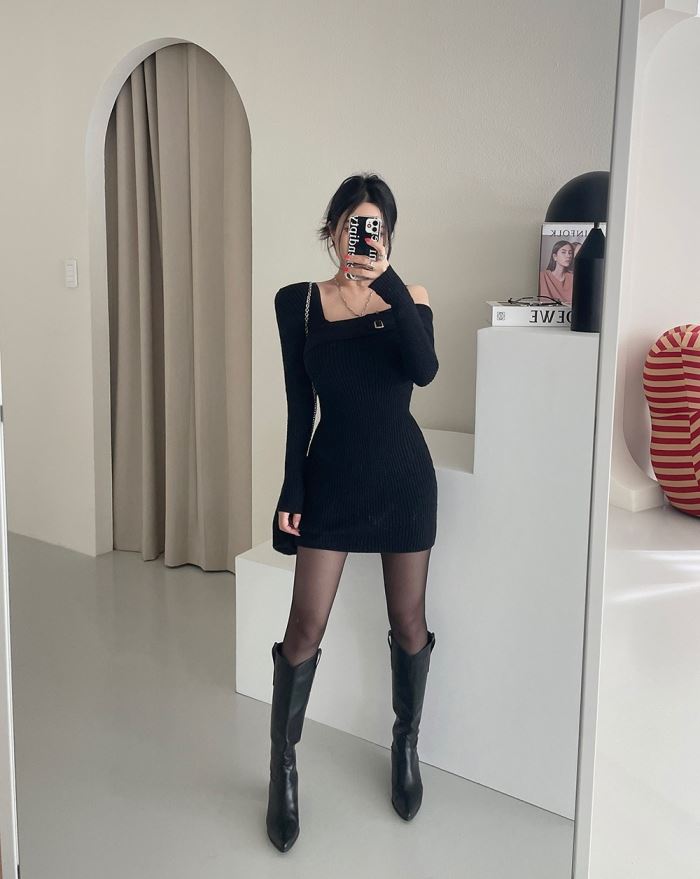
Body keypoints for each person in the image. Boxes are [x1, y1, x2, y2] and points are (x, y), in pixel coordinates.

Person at [267, 173, 439, 852]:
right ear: (334, 228)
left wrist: (386, 281)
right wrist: (292, 489)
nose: (364, 238)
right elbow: (298, 405)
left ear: (388, 237)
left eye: (377, 228)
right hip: (332, 478)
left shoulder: (409, 298)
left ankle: (406, 744)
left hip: (403, 479)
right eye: (354, 225)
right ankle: (282, 767)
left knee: (409, 621)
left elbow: (424, 370)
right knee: (304, 625)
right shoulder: (299, 304)